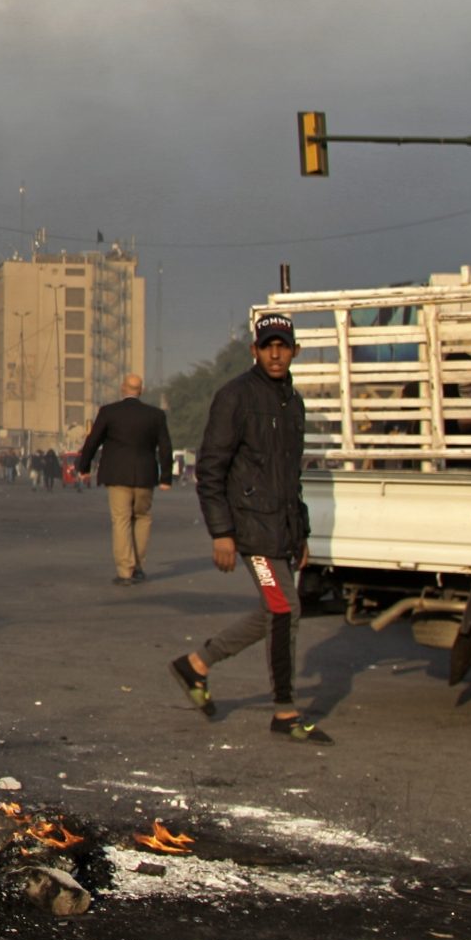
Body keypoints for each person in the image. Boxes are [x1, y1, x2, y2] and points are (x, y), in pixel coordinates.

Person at [170, 313, 329, 742]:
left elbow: (290, 477)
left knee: (276, 609)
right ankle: (285, 711)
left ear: (294, 350)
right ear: (254, 350)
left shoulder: (292, 403)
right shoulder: (234, 396)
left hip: (282, 530)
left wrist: (302, 535)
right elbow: (211, 467)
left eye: (282, 345)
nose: (275, 353)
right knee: (284, 610)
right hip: (249, 529)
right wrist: (221, 532)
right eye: (267, 346)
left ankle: (196, 665)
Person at [77, 373, 173, 585]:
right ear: (142, 390)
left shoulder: (109, 412)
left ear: (123, 388)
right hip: (146, 476)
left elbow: (93, 441)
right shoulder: (155, 415)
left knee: (121, 521)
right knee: (142, 518)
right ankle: (138, 566)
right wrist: (166, 477)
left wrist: (84, 467)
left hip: (117, 475)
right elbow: (165, 446)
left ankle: (125, 571)